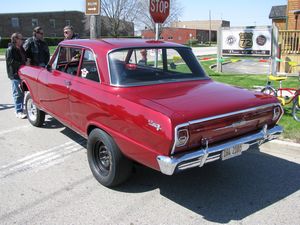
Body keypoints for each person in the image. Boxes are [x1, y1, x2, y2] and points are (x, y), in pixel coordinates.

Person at [5, 33, 27, 119]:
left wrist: (27, 60)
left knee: (22, 92)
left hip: (22, 73)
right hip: (15, 74)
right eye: (20, 39)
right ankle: (18, 111)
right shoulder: (10, 49)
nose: (22, 40)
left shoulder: (21, 48)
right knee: (18, 93)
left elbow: (24, 57)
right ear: (15, 39)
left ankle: (20, 108)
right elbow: (11, 62)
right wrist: (23, 63)